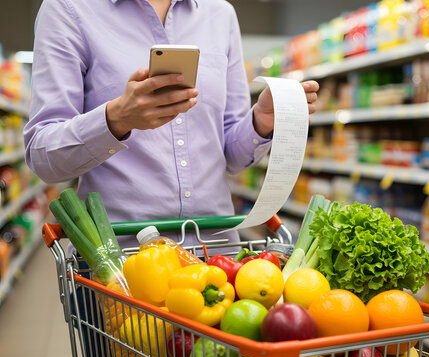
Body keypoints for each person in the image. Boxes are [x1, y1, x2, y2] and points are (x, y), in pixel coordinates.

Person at [24, 0, 318, 248]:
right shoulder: (68, 9)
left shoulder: (220, 14)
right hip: (124, 265)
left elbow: (231, 157)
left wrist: (260, 121)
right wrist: (115, 119)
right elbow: (43, 156)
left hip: (217, 255)